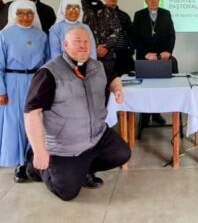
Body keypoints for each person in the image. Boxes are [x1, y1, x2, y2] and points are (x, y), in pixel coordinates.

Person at [24, 27, 131, 201]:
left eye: (86, 42)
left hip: (96, 136)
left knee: (122, 153)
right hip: (65, 145)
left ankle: (85, 168)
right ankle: (35, 166)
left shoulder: (98, 66)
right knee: (67, 192)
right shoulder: (49, 73)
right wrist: (39, 151)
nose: (82, 46)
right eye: (77, 42)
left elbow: (113, 78)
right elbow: (32, 113)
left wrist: (117, 89)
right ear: (65, 45)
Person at [0, 0, 48, 182]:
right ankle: (19, 164)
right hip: (13, 83)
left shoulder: (42, 36)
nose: (25, 17)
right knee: (17, 123)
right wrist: (1, 90)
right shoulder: (4, 35)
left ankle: (35, 162)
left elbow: (47, 62)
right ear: (14, 14)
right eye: (21, 13)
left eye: (29, 13)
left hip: (36, 81)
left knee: (38, 121)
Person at [133, 0, 175, 125]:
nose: (153, 1)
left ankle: (157, 113)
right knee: (145, 87)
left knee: (159, 87)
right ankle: (144, 115)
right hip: (144, 57)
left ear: (159, 0)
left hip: (161, 57)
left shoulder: (166, 13)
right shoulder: (139, 15)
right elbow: (135, 37)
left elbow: (171, 35)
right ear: (146, 0)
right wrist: (145, 53)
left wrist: (167, 51)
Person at [96, 0, 134, 80]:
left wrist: (131, 49)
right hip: (107, 55)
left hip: (124, 54)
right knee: (109, 82)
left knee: (127, 83)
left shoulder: (124, 15)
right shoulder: (98, 14)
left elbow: (131, 33)